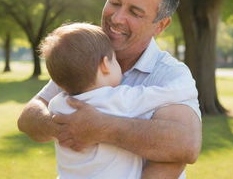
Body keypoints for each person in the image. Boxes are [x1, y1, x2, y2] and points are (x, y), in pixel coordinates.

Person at [17, 0, 202, 179]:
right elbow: (28, 118)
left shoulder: (169, 74)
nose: (116, 18)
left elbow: (184, 145)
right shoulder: (84, 54)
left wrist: (100, 127)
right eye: (115, 2)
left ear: (160, 25)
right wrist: (61, 126)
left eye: (134, 12)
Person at [40, 22, 198, 179]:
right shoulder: (117, 99)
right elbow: (161, 95)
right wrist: (187, 86)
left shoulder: (56, 105)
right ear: (104, 66)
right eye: (114, 60)